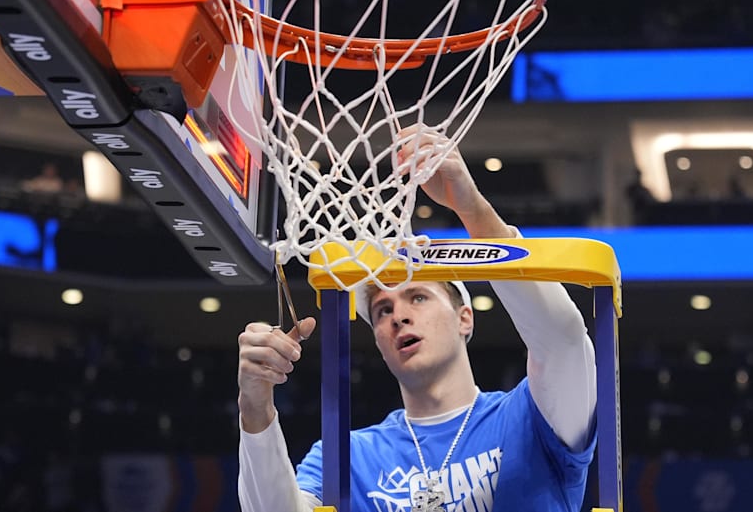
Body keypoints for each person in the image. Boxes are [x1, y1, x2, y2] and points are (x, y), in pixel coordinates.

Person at [237, 125, 597, 512]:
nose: (399, 317)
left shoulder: (530, 416)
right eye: (383, 310)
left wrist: (472, 211)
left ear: (465, 318)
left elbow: (563, 340)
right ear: (376, 338)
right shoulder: (347, 455)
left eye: (418, 297)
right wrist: (255, 405)